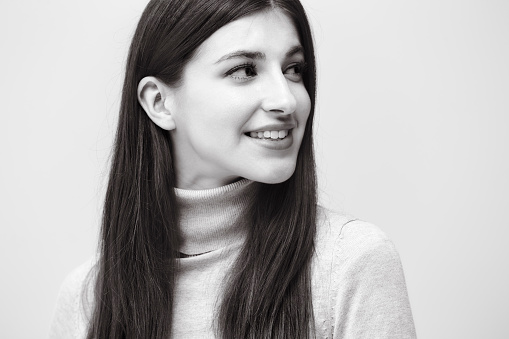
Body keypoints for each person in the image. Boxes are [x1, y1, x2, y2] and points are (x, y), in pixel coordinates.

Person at [49, 0, 416, 338]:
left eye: (293, 69)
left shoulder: (351, 263)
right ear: (160, 102)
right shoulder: (89, 299)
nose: (287, 100)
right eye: (244, 70)